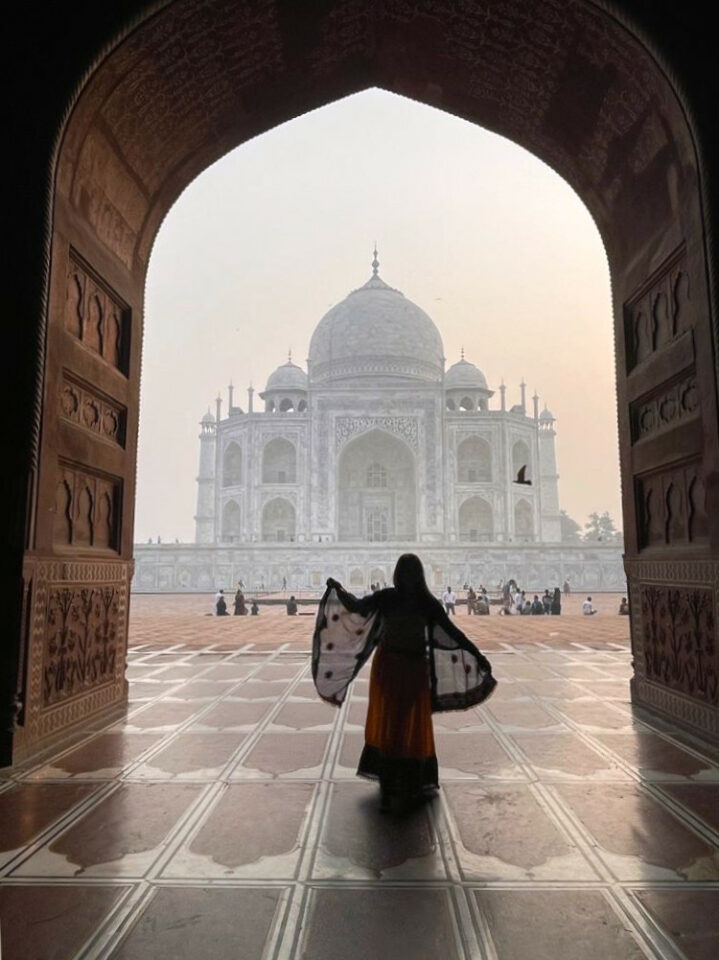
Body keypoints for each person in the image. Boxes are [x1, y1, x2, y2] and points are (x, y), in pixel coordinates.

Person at [313, 554, 496, 814]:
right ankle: (410, 773)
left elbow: (356, 607)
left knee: (391, 717)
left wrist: (338, 591)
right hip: (410, 667)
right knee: (410, 719)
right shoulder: (424, 602)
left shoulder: (389, 598)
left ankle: (390, 772)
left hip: (390, 666)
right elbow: (453, 633)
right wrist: (476, 654)